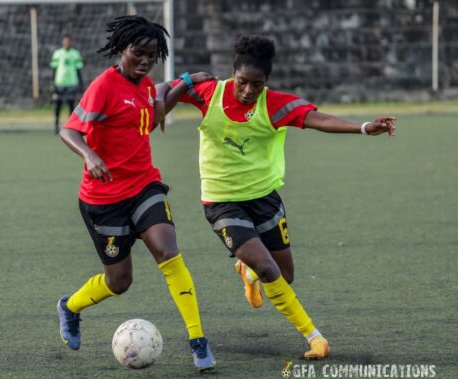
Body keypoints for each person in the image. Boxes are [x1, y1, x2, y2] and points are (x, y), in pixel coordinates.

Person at [156, 35, 396, 360]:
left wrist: (365, 127)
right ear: (233, 74)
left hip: (264, 198)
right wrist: (175, 90)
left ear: (266, 81)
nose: (247, 91)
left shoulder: (274, 103)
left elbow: (318, 119)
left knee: (284, 276)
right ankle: (315, 337)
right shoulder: (210, 91)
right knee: (270, 268)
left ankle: (248, 271)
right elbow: (159, 91)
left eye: (256, 85)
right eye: (242, 82)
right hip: (221, 201)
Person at [56, 15, 216, 372]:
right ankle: (70, 307)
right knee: (119, 281)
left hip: (144, 186)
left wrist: (186, 81)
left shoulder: (145, 85)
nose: (144, 61)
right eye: (138, 54)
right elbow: (69, 131)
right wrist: (90, 154)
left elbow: (157, 107)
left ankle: (198, 341)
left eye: (151, 56)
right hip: (103, 201)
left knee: (168, 251)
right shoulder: (103, 86)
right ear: (121, 50)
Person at [50, 34, 84, 134]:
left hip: (72, 82)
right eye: (65, 41)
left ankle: (71, 127)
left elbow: (78, 70)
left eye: (68, 41)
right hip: (59, 82)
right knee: (58, 105)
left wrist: (81, 84)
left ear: (71, 43)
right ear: (62, 42)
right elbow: (54, 69)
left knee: (71, 105)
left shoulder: (75, 54)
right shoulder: (57, 53)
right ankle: (56, 126)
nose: (67, 43)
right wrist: (53, 83)